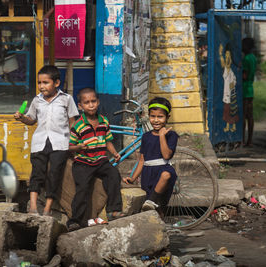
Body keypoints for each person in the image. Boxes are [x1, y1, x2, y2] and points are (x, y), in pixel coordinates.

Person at [14, 65, 79, 216]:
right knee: (37, 173)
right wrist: (22, 118)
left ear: (56, 83)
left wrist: (73, 142)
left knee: (54, 175)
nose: (41, 86)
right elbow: (31, 120)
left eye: (45, 83)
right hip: (39, 142)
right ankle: (33, 208)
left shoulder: (66, 99)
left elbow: (72, 122)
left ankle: (48, 209)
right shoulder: (37, 101)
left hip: (60, 143)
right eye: (39, 83)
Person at [67, 87, 125, 231]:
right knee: (83, 188)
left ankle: (113, 210)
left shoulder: (104, 121)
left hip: (101, 160)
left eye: (93, 101)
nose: (91, 105)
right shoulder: (78, 125)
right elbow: (70, 146)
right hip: (83, 163)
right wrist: (80, 147)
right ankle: (75, 220)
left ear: (98, 102)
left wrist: (114, 153)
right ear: (80, 106)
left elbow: (108, 141)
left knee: (113, 175)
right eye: (87, 102)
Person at [123, 97, 179, 213]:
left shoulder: (171, 135)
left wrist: (162, 136)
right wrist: (133, 177)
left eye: (160, 116)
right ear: (149, 116)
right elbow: (142, 160)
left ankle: (152, 201)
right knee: (151, 210)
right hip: (148, 173)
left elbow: (167, 155)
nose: (156, 120)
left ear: (167, 117)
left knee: (166, 176)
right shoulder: (146, 136)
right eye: (153, 116)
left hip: (163, 169)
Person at [219, 43, 239, 133]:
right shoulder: (226, 70)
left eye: (229, 57)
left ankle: (233, 126)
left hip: (232, 94)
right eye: (226, 56)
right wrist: (220, 54)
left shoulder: (230, 71)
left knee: (233, 110)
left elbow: (234, 79)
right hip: (227, 94)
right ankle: (228, 126)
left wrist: (233, 84)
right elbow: (223, 64)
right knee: (227, 110)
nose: (228, 59)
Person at [242, 37, 257, 147]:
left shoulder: (246, 59)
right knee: (250, 116)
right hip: (250, 89)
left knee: (243, 116)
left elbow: (244, 75)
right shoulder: (253, 58)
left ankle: (241, 140)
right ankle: (250, 140)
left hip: (244, 89)